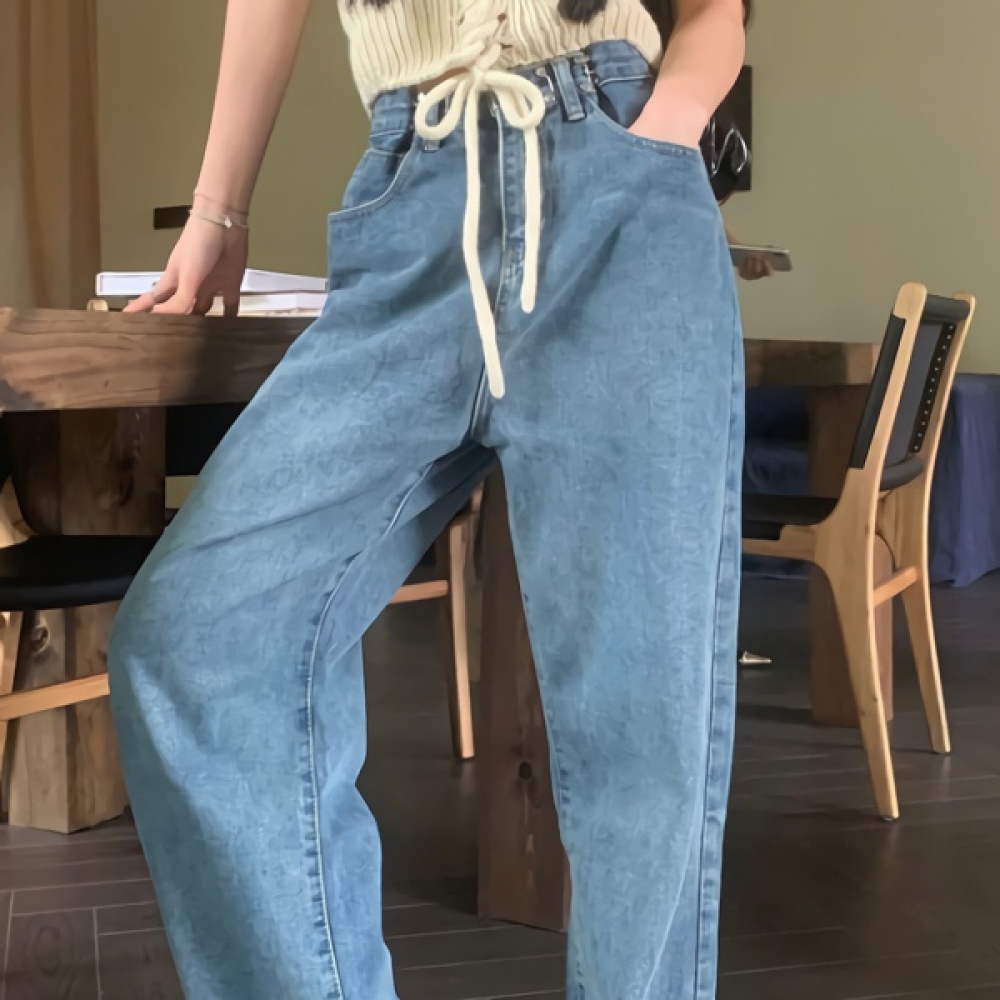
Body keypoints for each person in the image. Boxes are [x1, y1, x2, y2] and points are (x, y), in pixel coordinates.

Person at [110, 1, 750, 997]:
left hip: (618, 178)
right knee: (198, 632)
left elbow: (717, 13)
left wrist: (656, 140)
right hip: (412, 195)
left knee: (641, 727)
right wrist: (217, 212)